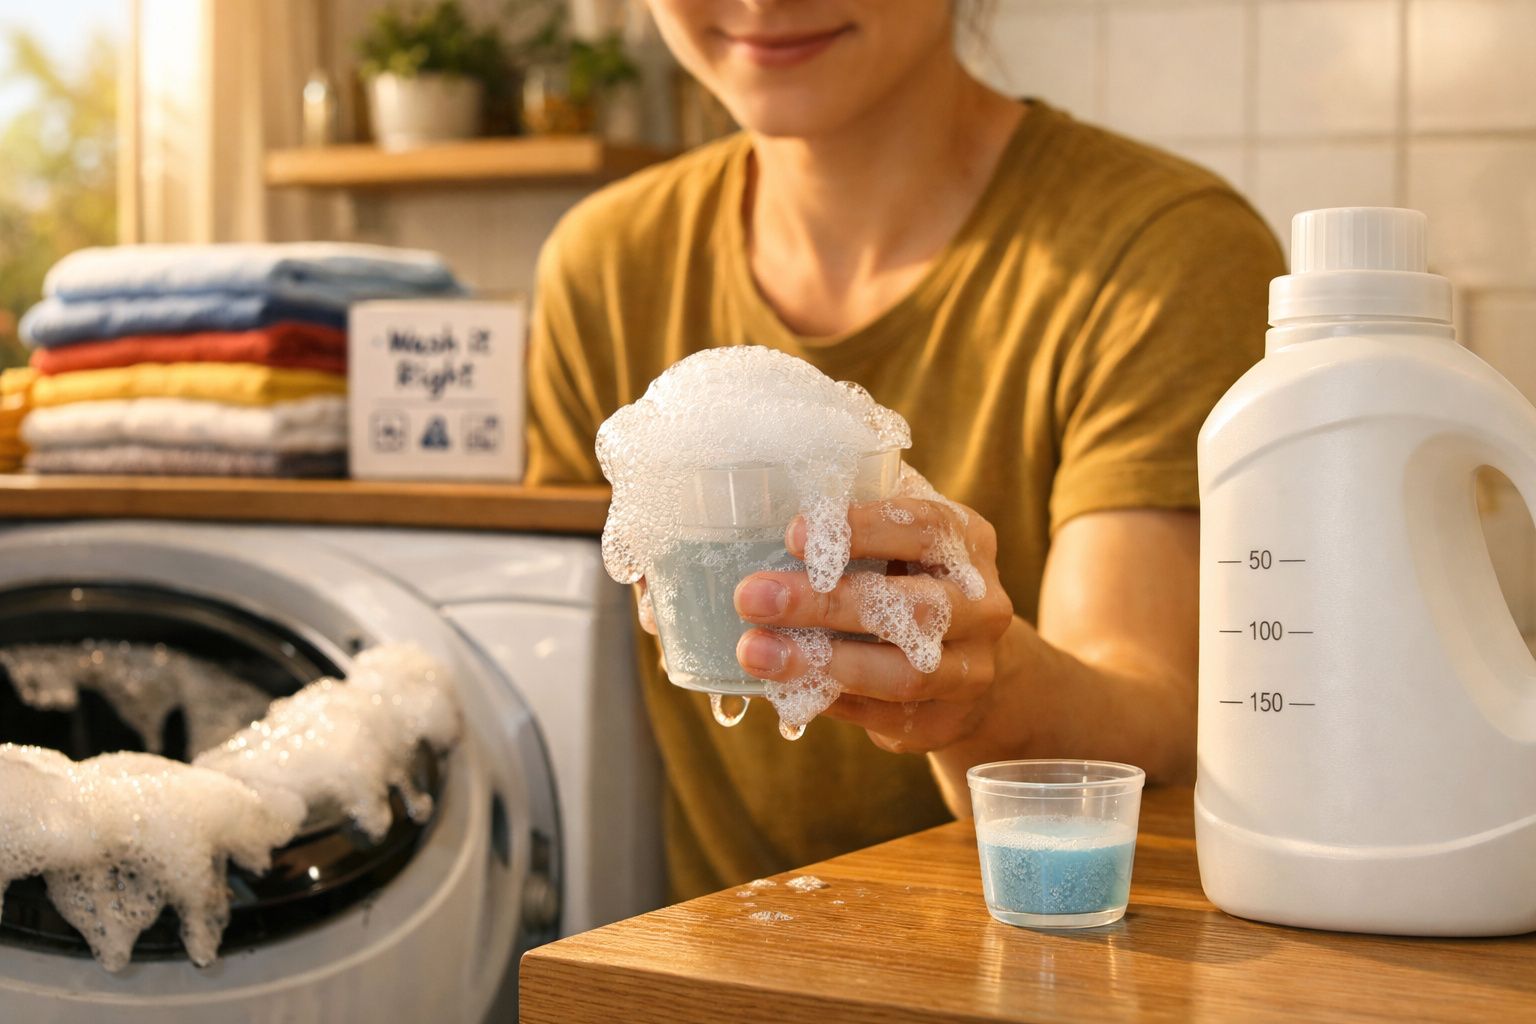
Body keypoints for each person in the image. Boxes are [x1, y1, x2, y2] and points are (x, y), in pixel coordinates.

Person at [525, 0, 1285, 901]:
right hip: (709, 966)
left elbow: (1156, 720)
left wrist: (978, 692)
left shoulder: (1162, 252)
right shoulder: (605, 264)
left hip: (1033, 966)